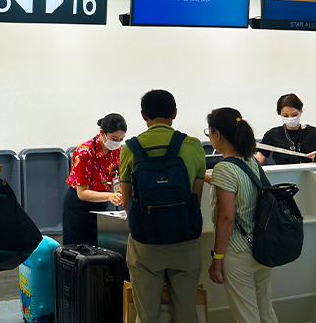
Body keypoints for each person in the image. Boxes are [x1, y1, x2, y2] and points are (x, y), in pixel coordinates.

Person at [120, 90, 206, 323]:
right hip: (184, 240)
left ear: (143, 115)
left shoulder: (130, 148)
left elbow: (128, 200)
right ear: (174, 113)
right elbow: (195, 199)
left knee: (147, 315)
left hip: (146, 243)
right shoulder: (193, 145)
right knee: (186, 313)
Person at [206, 107, 278, 323]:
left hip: (238, 251)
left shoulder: (224, 168)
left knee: (246, 316)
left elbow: (226, 218)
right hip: (262, 246)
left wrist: (217, 258)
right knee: (265, 310)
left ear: (217, 134)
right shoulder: (252, 162)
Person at [62, 113, 125, 245]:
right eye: (114, 138)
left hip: (101, 205)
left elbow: (117, 177)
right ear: (102, 132)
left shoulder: (117, 152)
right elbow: (82, 193)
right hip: (79, 207)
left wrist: (121, 193)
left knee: (101, 247)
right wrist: (109, 197)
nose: (117, 143)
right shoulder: (85, 152)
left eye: (121, 139)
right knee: (78, 250)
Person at [256, 93, 316, 165]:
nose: (290, 118)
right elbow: (259, 159)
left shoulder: (313, 133)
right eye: (285, 115)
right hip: (283, 175)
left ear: (301, 111)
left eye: (294, 115)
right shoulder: (272, 135)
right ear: (280, 114)